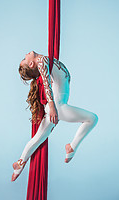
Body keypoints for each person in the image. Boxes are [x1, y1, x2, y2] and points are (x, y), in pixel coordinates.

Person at [11, 51, 98, 182]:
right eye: (24, 58)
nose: (25, 54)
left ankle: (20, 163)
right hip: (58, 107)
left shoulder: (44, 61)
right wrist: (52, 107)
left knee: (38, 138)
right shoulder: (41, 61)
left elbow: (50, 80)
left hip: (57, 106)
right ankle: (72, 147)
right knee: (92, 118)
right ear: (31, 63)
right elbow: (47, 84)